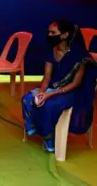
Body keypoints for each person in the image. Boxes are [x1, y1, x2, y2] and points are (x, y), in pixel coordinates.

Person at [22, 20, 96, 152]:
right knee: (28, 99)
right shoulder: (51, 51)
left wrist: (50, 94)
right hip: (52, 88)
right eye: (49, 32)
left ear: (65, 35)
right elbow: (47, 77)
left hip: (72, 92)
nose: (49, 35)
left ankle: (49, 140)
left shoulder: (79, 55)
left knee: (49, 105)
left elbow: (76, 83)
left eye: (53, 32)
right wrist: (42, 92)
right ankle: (40, 131)